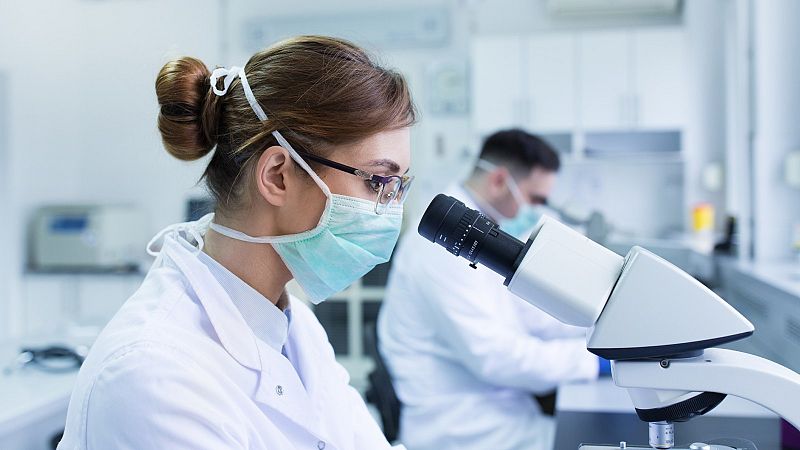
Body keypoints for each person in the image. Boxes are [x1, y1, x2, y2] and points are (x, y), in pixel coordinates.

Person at [58, 36, 415, 450]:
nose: (391, 210)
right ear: (277, 176)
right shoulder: (154, 374)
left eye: (399, 186)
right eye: (378, 182)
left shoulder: (297, 330)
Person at [378, 129, 607, 450]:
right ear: (499, 181)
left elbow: (528, 315)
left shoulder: (480, 234)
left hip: (500, 412)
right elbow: (496, 357)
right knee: (600, 439)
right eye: (535, 199)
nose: (538, 210)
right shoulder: (442, 246)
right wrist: (594, 362)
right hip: (466, 430)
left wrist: (602, 330)